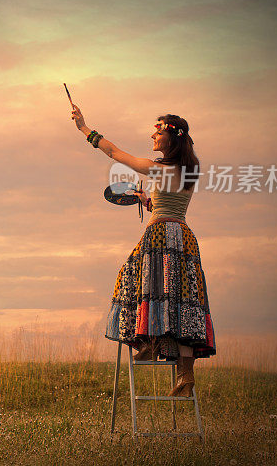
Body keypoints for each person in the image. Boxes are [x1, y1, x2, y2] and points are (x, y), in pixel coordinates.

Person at [70, 103, 216, 397]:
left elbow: (113, 153)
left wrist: (84, 128)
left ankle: (147, 341)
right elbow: (172, 205)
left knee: (134, 280)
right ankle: (185, 375)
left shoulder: (156, 168)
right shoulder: (188, 171)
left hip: (160, 236)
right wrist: (148, 202)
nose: (153, 135)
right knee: (182, 302)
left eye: (158, 130)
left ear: (171, 137)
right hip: (184, 238)